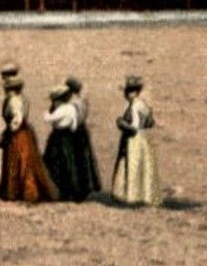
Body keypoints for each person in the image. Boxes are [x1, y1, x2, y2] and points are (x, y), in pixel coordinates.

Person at [0, 73, 58, 203]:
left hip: (18, 134)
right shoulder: (22, 98)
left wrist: (10, 130)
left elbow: (17, 118)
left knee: (21, 161)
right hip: (24, 132)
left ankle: (25, 191)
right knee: (26, 160)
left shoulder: (14, 100)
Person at [111, 76, 162, 206]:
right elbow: (150, 122)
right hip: (143, 138)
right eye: (128, 91)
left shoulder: (134, 105)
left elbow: (134, 126)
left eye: (131, 91)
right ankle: (142, 195)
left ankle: (132, 196)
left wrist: (121, 123)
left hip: (134, 139)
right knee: (142, 165)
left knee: (132, 165)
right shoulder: (142, 104)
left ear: (135, 92)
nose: (128, 94)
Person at [43, 86, 98, 201]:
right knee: (71, 164)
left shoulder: (62, 110)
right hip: (69, 137)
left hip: (59, 137)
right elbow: (73, 125)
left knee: (55, 163)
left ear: (58, 100)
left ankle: (61, 191)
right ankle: (74, 191)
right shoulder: (71, 108)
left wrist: (48, 111)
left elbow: (48, 118)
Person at [64, 76, 103, 197]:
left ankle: (74, 188)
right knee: (83, 158)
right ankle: (85, 186)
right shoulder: (82, 101)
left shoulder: (72, 103)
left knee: (73, 158)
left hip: (73, 131)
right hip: (82, 131)